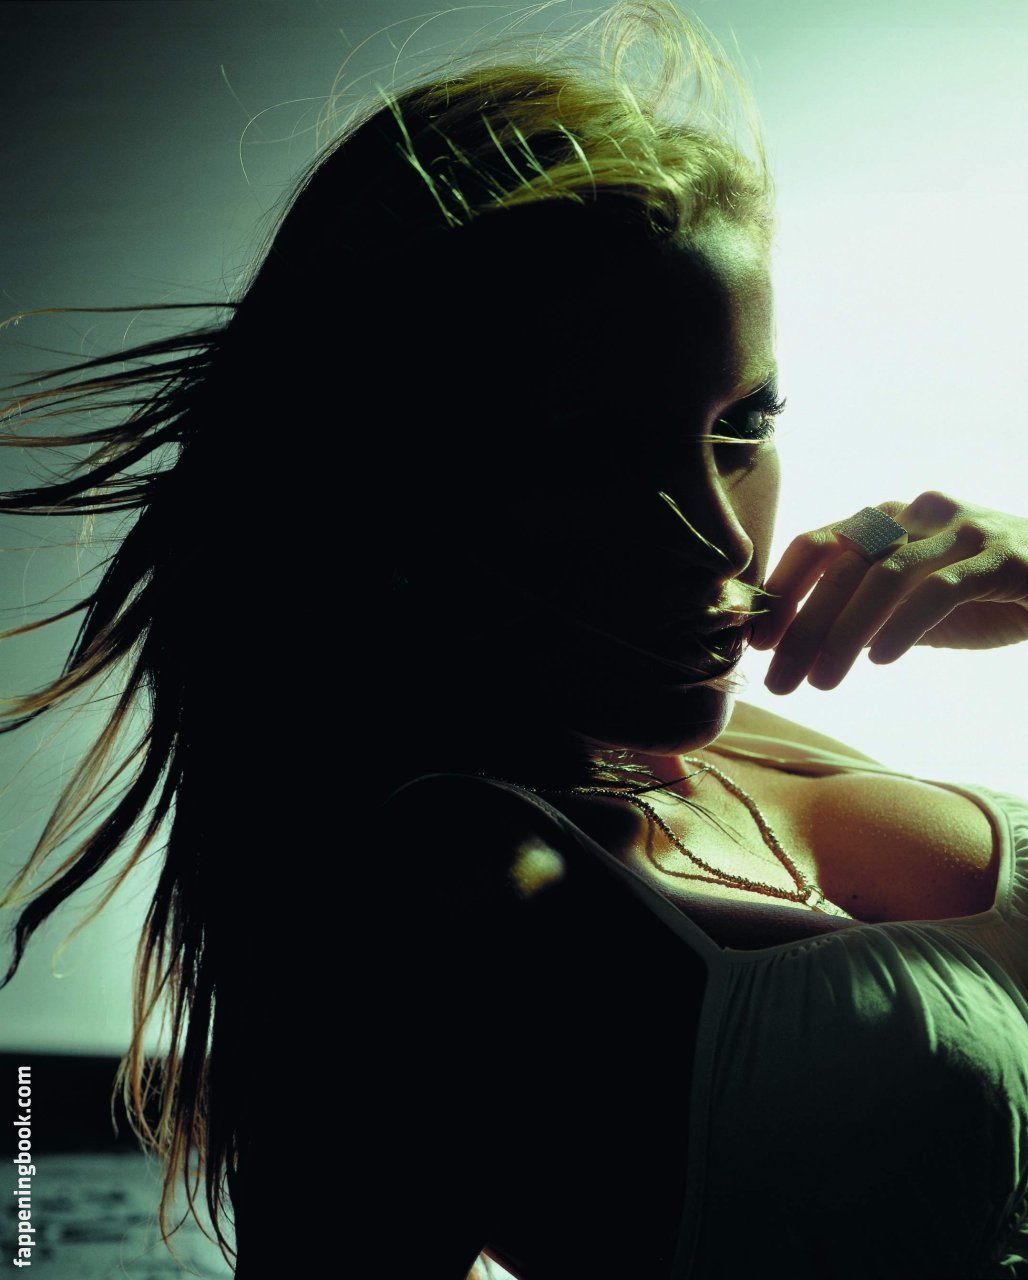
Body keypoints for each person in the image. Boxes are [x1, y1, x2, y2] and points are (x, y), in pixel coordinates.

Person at [2, 3, 1028, 1277]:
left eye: (741, 424)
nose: (716, 535)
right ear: (402, 485)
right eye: (590, 450)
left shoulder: (731, 745)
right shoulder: (439, 897)